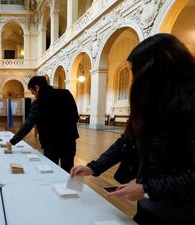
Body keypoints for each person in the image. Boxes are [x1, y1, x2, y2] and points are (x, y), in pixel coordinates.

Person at [70, 33, 195, 224]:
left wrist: (146, 188)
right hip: (149, 207)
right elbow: (126, 141)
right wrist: (92, 167)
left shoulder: (189, 106)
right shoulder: (152, 102)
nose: (133, 81)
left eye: (135, 72)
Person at [6, 76, 79, 172]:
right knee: (68, 171)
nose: (35, 96)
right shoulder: (66, 93)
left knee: (51, 171)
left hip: (51, 144)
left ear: (37, 87)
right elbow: (75, 116)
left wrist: (12, 141)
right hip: (69, 141)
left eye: (33, 92)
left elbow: (28, 125)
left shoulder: (39, 103)